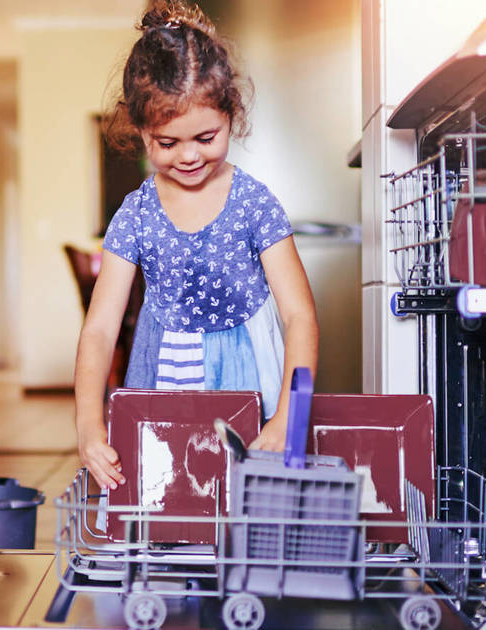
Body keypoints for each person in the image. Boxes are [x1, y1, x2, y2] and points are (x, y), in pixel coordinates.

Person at [75, 0, 319, 491]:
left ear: (232, 114)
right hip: (160, 377)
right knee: (167, 506)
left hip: (247, 378)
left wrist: (287, 421)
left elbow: (299, 318)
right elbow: (100, 330)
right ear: (141, 131)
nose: (188, 156)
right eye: (167, 143)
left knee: (241, 510)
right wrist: (87, 426)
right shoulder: (137, 213)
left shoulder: (254, 204)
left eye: (207, 137)